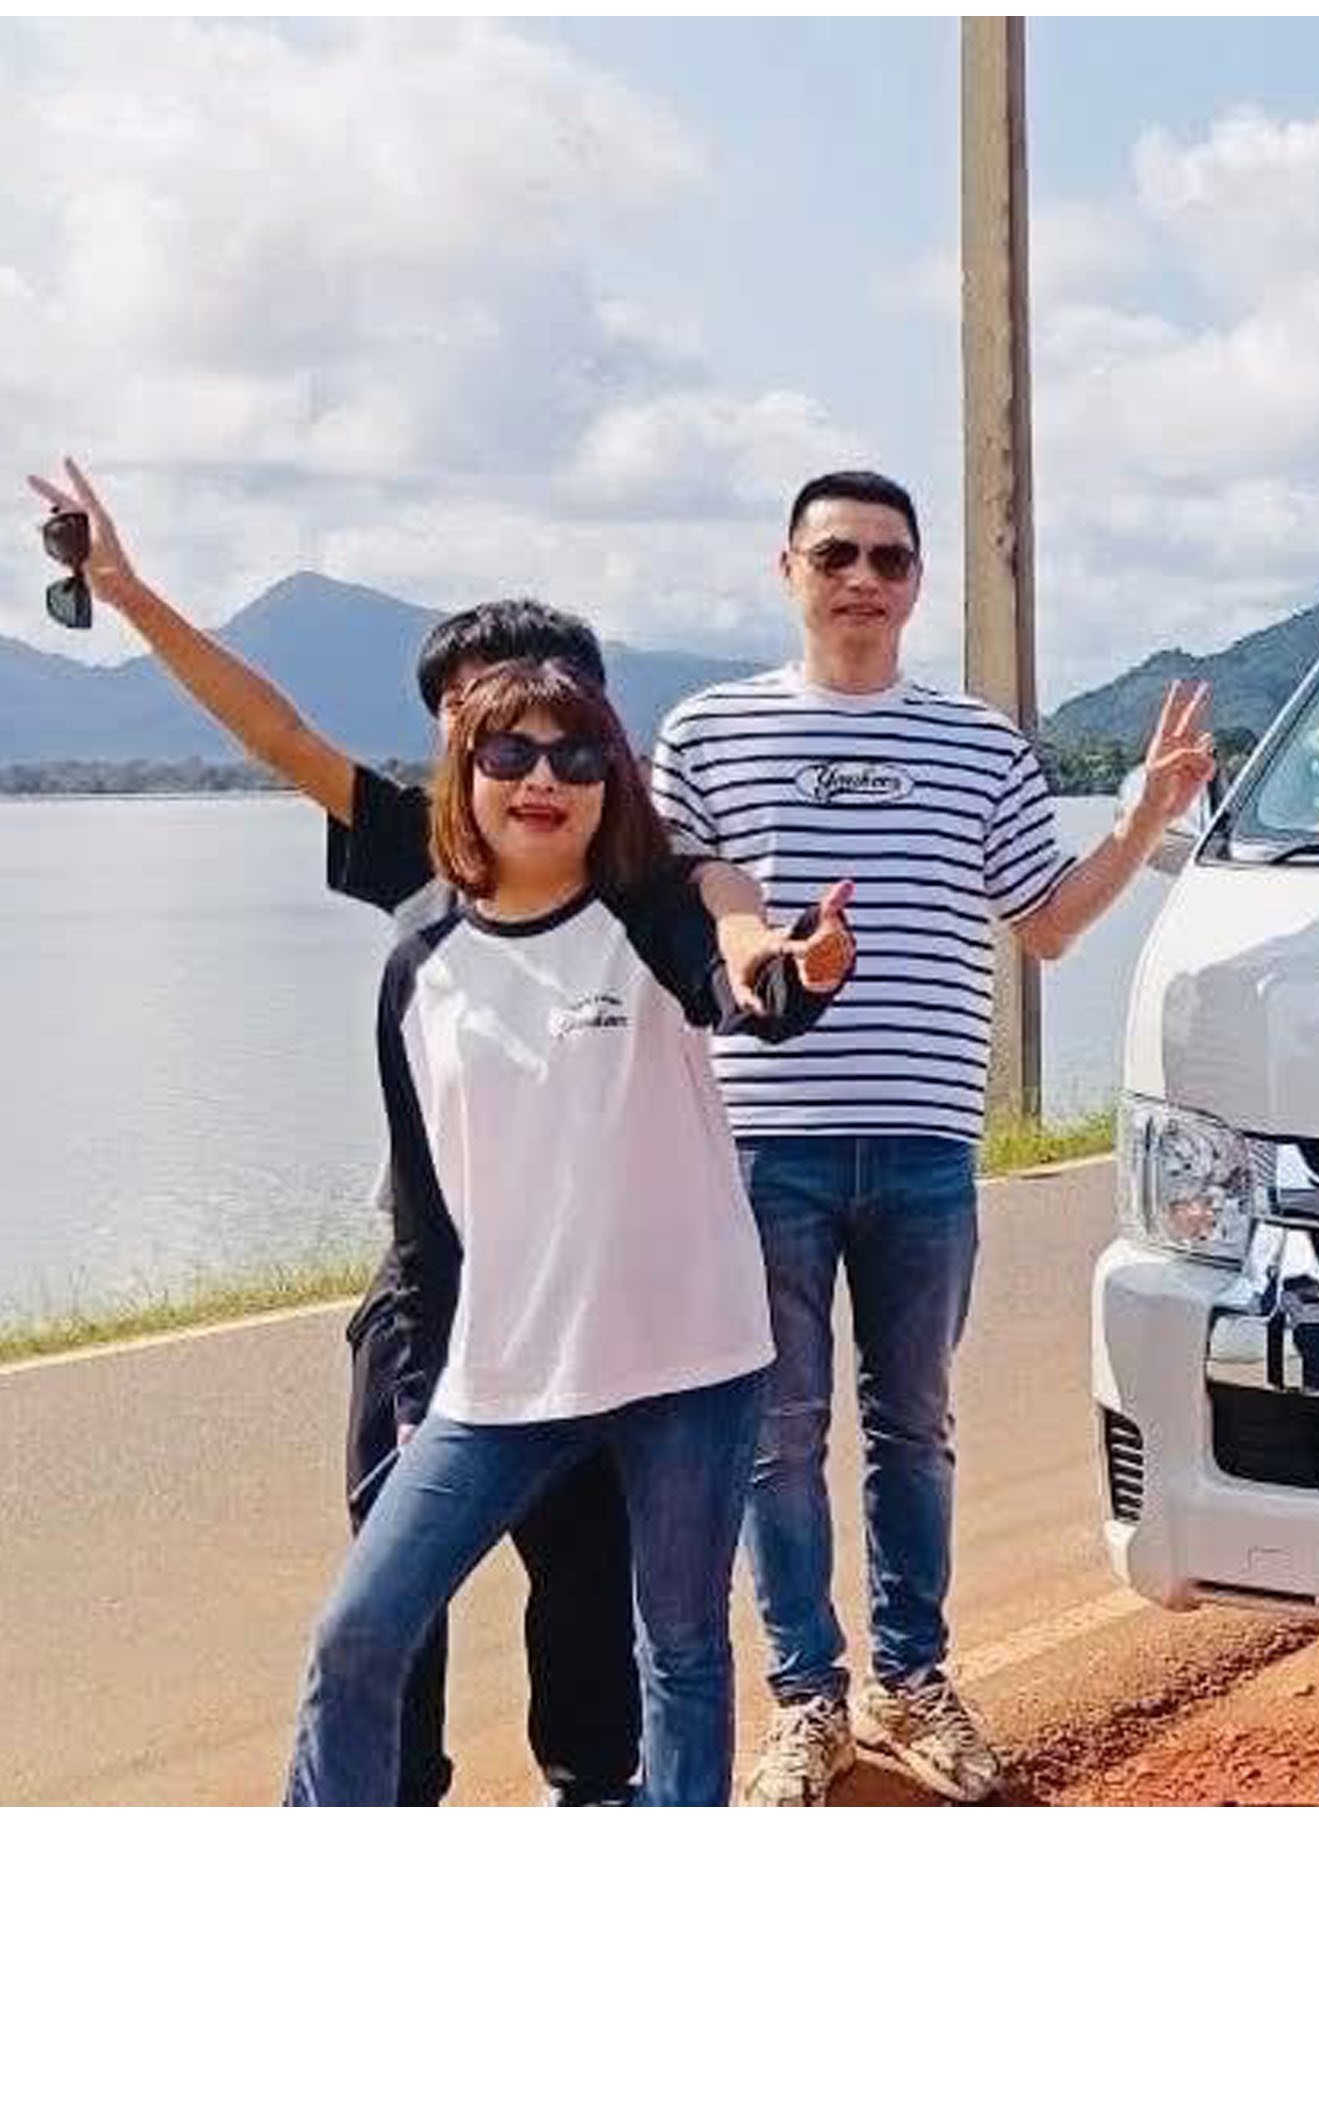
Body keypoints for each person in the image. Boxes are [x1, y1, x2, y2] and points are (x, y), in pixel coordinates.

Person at [25, 458, 778, 1806]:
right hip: (447, 1288)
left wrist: (768, 952)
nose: (528, 757)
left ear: (604, 743)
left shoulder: (637, 888)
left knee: (603, 1586)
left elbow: (729, 931)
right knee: (389, 1580)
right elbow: (275, 731)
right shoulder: (424, 877)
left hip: (627, 1308)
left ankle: (596, 1790)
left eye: (563, 729)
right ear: (451, 742)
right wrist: (129, 596)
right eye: (489, 727)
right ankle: (386, 1805)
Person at [647, 469, 1217, 1805]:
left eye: (889, 560)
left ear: (916, 582)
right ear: (787, 568)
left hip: (923, 1141)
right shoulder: (706, 732)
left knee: (914, 1428)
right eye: (835, 554)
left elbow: (1049, 924)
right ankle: (806, 1701)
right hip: (760, 1139)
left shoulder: (978, 745)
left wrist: (1140, 818)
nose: (862, 579)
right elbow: (674, 909)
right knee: (776, 1436)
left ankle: (911, 1682)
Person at [284, 657, 853, 1804]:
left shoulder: (649, 913)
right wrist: (421, 1387)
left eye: (576, 756)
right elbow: (427, 1216)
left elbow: (745, 980)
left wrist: (797, 974)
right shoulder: (420, 960)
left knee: (679, 1646)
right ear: (464, 773)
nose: (543, 778)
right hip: (506, 1376)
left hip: (690, 1360)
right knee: (359, 1631)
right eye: (511, 753)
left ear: (609, 783)